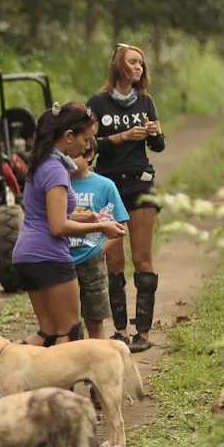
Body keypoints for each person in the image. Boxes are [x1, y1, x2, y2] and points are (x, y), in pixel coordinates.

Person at [10, 102, 126, 347]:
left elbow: (48, 214)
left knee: (49, 332)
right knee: (70, 331)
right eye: (86, 139)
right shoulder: (56, 170)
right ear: (69, 135)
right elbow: (58, 227)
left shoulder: (42, 163)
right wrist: (100, 228)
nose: (88, 146)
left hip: (27, 255)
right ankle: (63, 386)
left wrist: (89, 218)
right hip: (49, 256)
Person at [86, 43, 165, 353]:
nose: (138, 68)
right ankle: (119, 332)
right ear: (119, 65)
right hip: (107, 187)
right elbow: (87, 144)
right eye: (133, 62)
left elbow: (158, 146)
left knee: (143, 259)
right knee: (113, 261)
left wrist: (155, 133)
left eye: (141, 64)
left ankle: (142, 333)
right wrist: (121, 138)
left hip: (140, 184)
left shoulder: (146, 102)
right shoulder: (98, 102)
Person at [69, 141, 130, 340]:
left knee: (95, 320)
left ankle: (99, 362)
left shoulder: (105, 186)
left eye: (75, 155)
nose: (69, 160)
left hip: (92, 262)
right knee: (68, 323)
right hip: (63, 260)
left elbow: (121, 225)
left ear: (89, 154)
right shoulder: (58, 184)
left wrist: (100, 250)